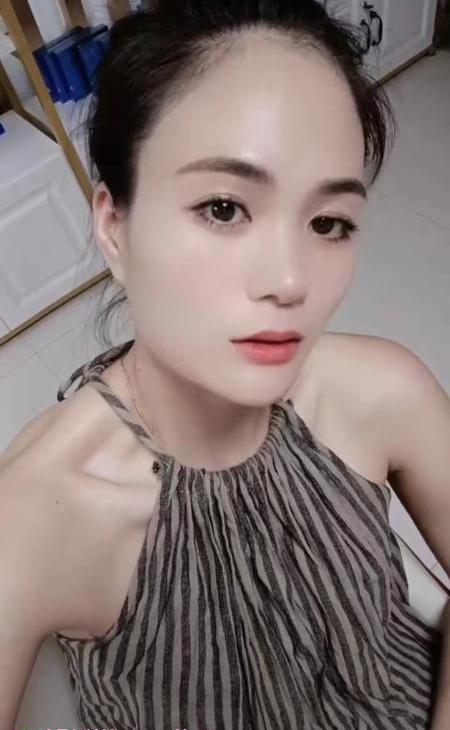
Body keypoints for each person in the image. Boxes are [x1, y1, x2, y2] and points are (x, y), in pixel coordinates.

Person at [0, 0, 449, 728]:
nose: (291, 280)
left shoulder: (384, 392)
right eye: (223, 208)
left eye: (329, 222)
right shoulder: (36, 515)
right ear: (115, 227)